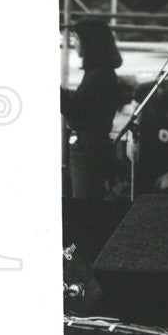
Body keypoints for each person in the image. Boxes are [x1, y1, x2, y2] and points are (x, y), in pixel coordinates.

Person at [60, 18, 122, 199]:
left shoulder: (100, 75)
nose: (74, 44)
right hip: (88, 145)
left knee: (84, 200)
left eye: (77, 39)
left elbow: (76, 110)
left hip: (88, 148)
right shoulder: (99, 73)